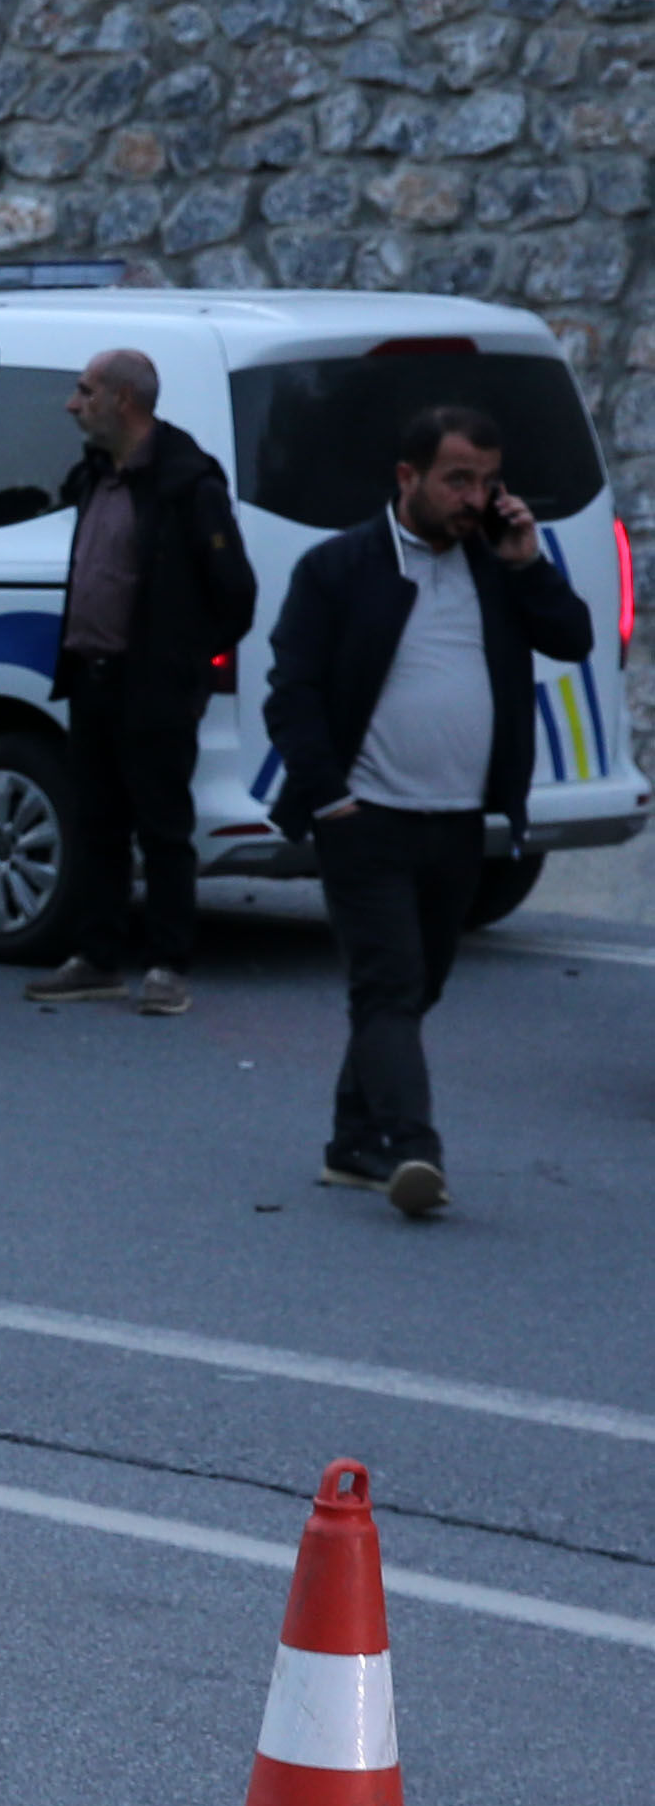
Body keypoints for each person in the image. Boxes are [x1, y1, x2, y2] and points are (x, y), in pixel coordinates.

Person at [262, 406, 589, 1216]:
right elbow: (292, 692)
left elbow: (574, 638)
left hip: (457, 824)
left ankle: (350, 1142)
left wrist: (528, 562)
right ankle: (414, 1151)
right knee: (390, 987)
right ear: (407, 478)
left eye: (486, 481)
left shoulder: (496, 567)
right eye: (457, 480)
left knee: (415, 988)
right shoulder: (338, 567)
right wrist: (328, 794)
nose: (475, 498)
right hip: (364, 817)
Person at [25, 347, 258, 1014]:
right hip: (93, 679)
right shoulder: (96, 476)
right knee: (96, 824)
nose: (74, 403)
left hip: (152, 687)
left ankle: (166, 965)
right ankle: (98, 957)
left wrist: (183, 662)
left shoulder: (187, 483)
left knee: (162, 828)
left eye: (85, 391)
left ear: (123, 401)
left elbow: (235, 595)